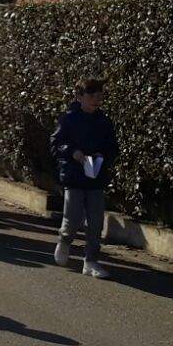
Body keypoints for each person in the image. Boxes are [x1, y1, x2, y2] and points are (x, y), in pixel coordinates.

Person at [51, 78, 119, 279]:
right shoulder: (69, 119)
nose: (96, 100)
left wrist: (102, 155)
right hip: (74, 176)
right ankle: (65, 240)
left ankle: (90, 261)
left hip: (95, 177)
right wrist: (72, 152)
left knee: (96, 221)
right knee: (72, 219)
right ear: (79, 97)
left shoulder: (104, 121)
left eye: (99, 96)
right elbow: (56, 143)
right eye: (91, 96)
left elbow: (112, 147)